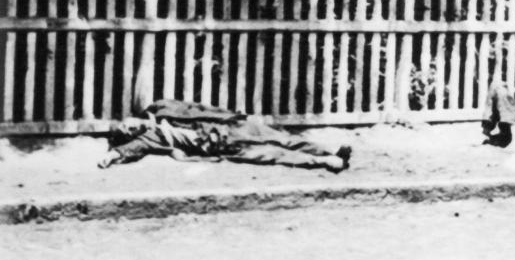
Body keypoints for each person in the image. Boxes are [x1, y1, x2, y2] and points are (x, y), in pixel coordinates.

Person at [98, 99, 351, 172]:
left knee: (284, 138)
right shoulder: (152, 137)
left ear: (129, 117)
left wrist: (235, 115)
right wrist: (112, 155)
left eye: (127, 124)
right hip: (221, 146)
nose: (131, 128)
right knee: (273, 154)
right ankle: (325, 162)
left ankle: (328, 152)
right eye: (126, 133)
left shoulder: (161, 106)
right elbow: (129, 150)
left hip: (232, 126)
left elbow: (199, 108)